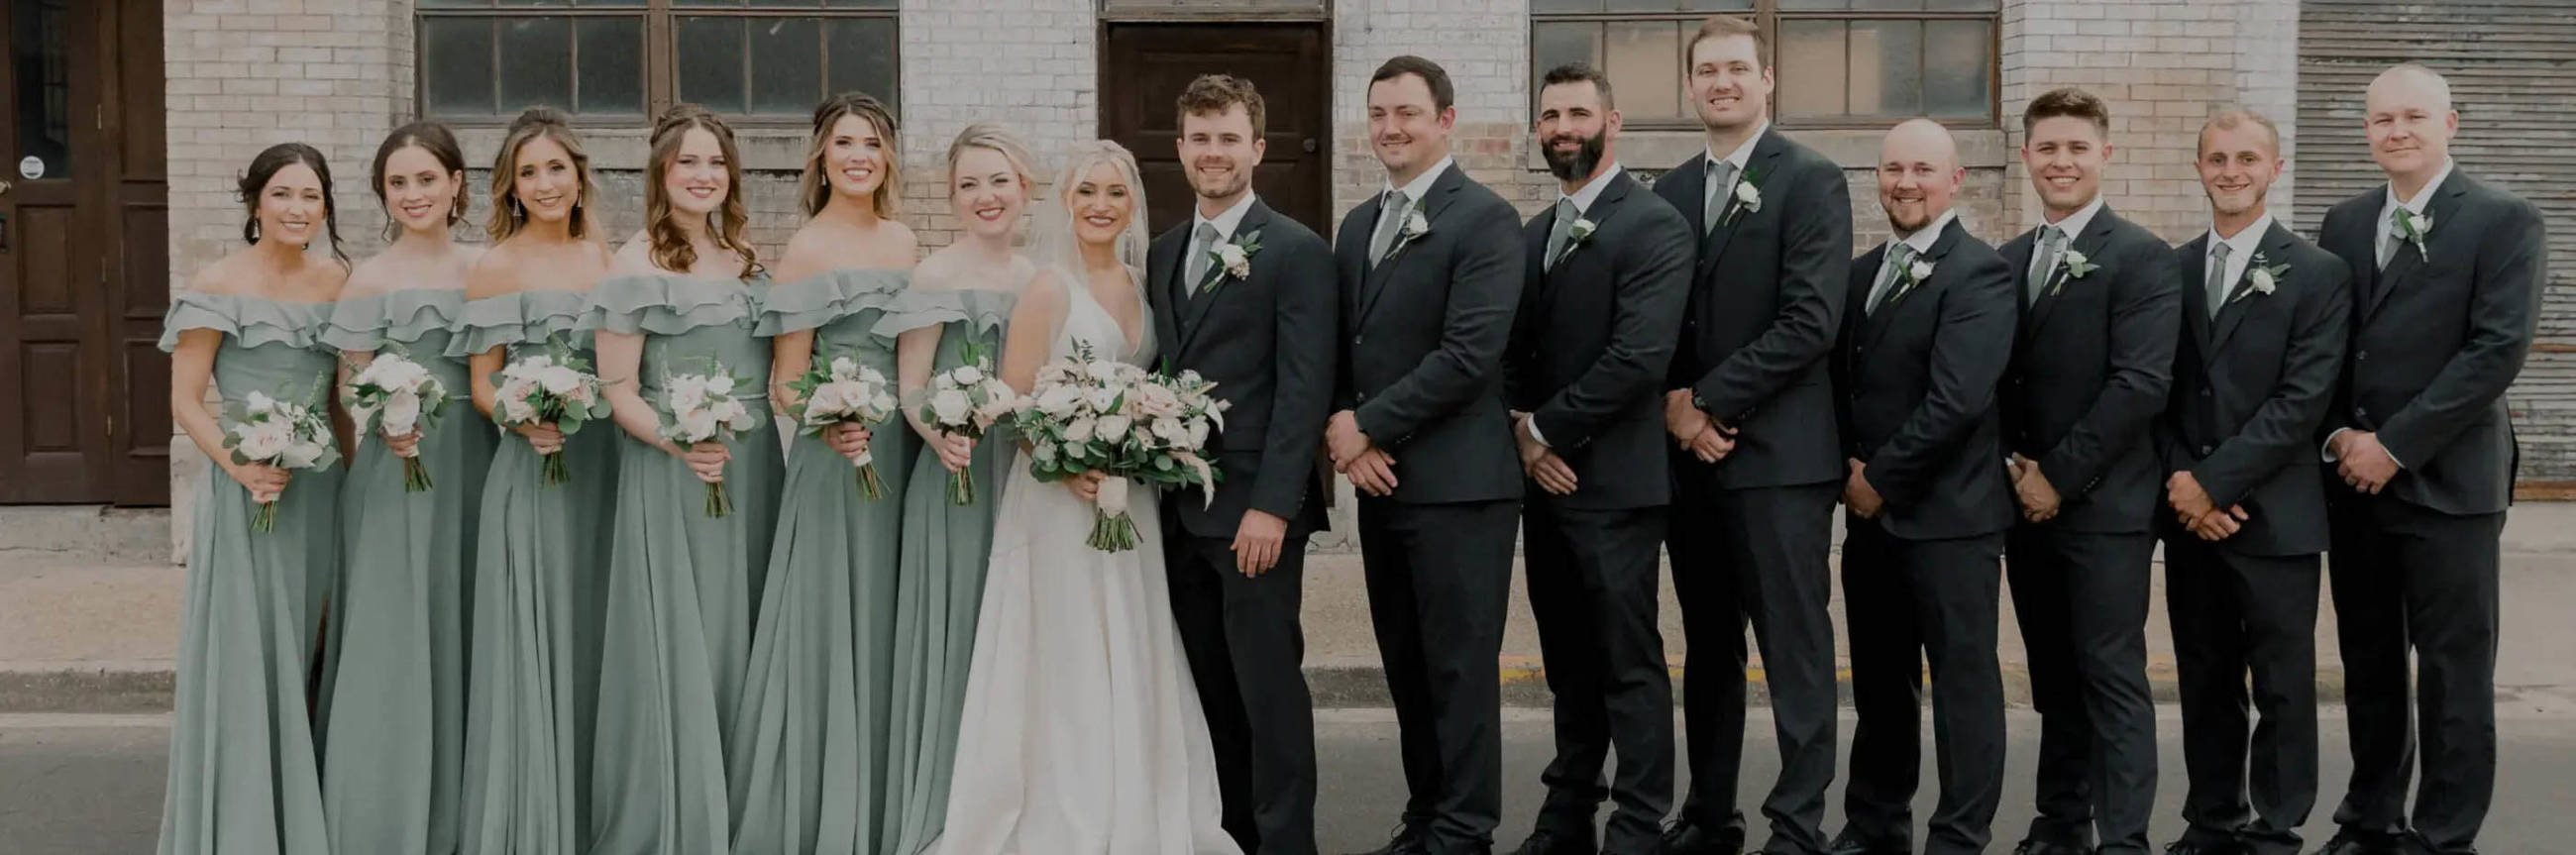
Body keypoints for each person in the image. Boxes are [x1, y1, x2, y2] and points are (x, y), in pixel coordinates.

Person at [935, 139, 1238, 855]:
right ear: (1065, 203)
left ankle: (1134, 793)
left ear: (1132, 204)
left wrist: (1144, 444)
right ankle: (1067, 805)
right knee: (1066, 650)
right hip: (1058, 498)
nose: (1101, 206)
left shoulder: (1142, 285)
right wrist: (1061, 461)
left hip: (1127, 496)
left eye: (1115, 193)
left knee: (1129, 641)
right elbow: (1015, 396)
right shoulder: (1048, 287)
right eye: (1087, 193)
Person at [2312, 63, 2544, 855]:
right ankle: (2371, 815)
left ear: (2452, 122)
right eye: (2382, 119)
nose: (2397, 130)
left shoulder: (2503, 220)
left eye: (2414, 115)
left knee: (2453, 672)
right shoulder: (2342, 223)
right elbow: (2330, 347)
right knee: (2369, 662)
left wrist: (2396, 445)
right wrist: (2343, 435)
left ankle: (2445, 833)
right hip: (2354, 482)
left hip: (2451, 484)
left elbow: (2495, 351)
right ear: (2367, 130)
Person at [1647, 16, 1854, 854]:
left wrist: (1711, 403)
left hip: (1778, 460)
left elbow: (1811, 319)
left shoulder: (1811, 180)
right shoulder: (1667, 191)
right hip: (1690, 464)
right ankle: (1710, 813)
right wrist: (1673, 406)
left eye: (1737, 68)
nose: (1722, 82)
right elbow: (1654, 321)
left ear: (1767, 81)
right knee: (1708, 648)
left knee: (1795, 650)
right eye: (1707, 70)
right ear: (1689, 87)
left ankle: (1798, 823)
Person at [1333, 54, 1526, 855]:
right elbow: (1344, 342)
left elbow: (1470, 353)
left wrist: (1369, 424)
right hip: (1383, 484)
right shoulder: (1355, 224)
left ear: (1446, 119)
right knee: (1406, 665)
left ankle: (1465, 828)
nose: (1391, 128)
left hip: (1460, 488)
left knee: (1459, 670)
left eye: (1407, 112)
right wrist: (1344, 429)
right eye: (1379, 113)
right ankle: (1426, 816)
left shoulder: (1485, 220)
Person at [1501, 61, 1691, 855]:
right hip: (1545, 486)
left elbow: (1639, 358)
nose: (1563, 127)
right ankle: (1569, 808)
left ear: (1613, 122)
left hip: (1615, 483)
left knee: (1627, 660)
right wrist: (1522, 432)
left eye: (1578, 112)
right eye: (1551, 115)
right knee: (1567, 660)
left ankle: (1640, 819)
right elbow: (1512, 353)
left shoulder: (1653, 226)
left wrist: (1543, 430)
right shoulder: (1532, 233)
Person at [728, 91, 923, 855]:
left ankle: (884, 797)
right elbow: (785, 379)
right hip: (834, 456)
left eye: (872, 143)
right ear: (821, 157)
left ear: (888, 158)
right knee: (834, 617)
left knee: (886, 616)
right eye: (844, 142)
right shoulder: (806, 247)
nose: (859, 156)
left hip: (901, 451)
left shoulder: (907, 241)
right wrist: (834, 415)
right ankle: (822, 802)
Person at [588, 104, 785, 855]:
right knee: (687, 630)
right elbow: (616, 387)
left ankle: (740, 794)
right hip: (676, 468)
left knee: (745, 622)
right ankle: (678, 805)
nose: (704, 176)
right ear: (661, 174)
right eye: (687, 163)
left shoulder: (745, 256)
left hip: (753, 465)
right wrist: (681, 443)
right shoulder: (636, 264)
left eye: (715, 163)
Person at [1150, 74, 1338, 855]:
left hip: (1256, 513)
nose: (1213, 153)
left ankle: (1286, 840)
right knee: (1207, 685)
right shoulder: (1163, 251)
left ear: (1257, 148)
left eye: (1229, 138)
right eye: (1200, 138)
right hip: (1176, 511)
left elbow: (1304, 389)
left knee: (1268, 688)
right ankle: (1229, 832)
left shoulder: (1296, 251)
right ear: (1181, 148)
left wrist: (1275, 504)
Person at [2155, 107, 2348, 855]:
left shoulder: (2320, 273)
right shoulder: (2169, 269)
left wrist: (2216, 484)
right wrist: (2183, 482)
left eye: (2246, 159)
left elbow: (2303, 399)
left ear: (2276, 168)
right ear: (2198, 167)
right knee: (2204, 678)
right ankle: (2212, 820)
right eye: (2216, 159)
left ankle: (2276, 825)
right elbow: (2158, 390)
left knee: (2283, 682)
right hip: (2189, 513)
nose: (2230, 171)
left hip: (2276, 516)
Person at [1996, 87, 2179, 855]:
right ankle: (2061, 818)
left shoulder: (2141, 257)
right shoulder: (2005, 262)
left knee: (2110, 674)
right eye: (2048, 147)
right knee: (2053, 675)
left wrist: (2057, 477)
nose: (2061, 161)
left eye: (2077, 148)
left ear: (2104, 154)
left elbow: (2139, 385)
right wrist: (2016, 474)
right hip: (2025, 506)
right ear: (2028, 156)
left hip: (2104, 508)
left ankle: (2124, 836)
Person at [1828, 119, 2018, 855]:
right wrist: (1849, 466)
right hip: (1872, 522)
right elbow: (1841, 385)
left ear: (1955, 180)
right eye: (1892, 169)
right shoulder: (1859, 272)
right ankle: (1877, 820)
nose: (1904, 182)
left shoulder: (1981, 273)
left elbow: (1958, 400)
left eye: (1921, 169)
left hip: (1951, 521)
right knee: (1880, 683)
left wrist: (1879, 477)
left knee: (1963, 687)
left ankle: (1960, 832)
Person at [157, 141, 353, 855]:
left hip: (320, 488)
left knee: (315, 645)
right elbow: (186, 400)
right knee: (251, 653)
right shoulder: (218, 284)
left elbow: (339, 403)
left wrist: (355, 489)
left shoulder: (338, 283)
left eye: (311, 196)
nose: (298, 209)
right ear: (255, 202)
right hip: (250, 489)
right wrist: (242, 467)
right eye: (283, 195)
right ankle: (248, 823)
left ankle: (306, 813)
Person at [316, 120, 494, 855]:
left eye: (427, 179)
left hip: (482, 459)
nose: (413, 194)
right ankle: (387, 806)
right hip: (400, 468)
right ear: (382, 195)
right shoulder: (368, 279)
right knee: (400, 624)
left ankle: (477, 798)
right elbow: (351, 384)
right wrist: (385, 423)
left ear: (457, 184)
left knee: (473, 617)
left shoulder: (488, 266)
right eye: (398, 182)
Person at [453, 107, 620, 855]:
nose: (546, 184)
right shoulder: (496, 265)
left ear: (580, 175)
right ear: (510, 188)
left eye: (557, 168)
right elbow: (482, 384)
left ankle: (594, 812)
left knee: (592, 632)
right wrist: (523, 420)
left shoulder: (606, 259)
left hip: (605, 469)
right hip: (533, 466)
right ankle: (532, 821)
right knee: (536, 633)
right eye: (530, 173)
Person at [879, 123, 1040, 855]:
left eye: (998, 181)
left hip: (1026, 476)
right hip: (956, 478)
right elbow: (909, 386)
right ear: (951, 195)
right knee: (959, 636)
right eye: (970, 183)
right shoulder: (934, 275)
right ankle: (948, 807)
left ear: (1024, 188)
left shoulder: (1041, 277)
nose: (986, 196)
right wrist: (937, 431)